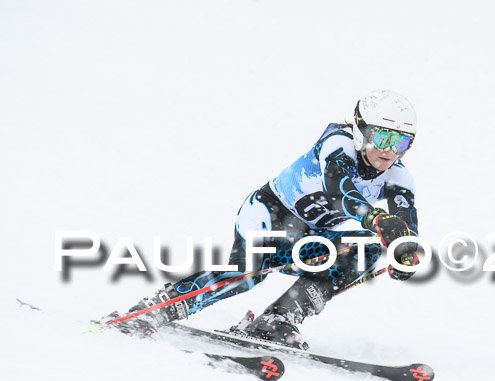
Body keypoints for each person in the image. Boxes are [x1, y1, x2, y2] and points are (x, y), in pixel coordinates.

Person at [118, 90, 420, 349]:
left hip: (310, 239)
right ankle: (159, 308)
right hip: (269, 216)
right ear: (361, 129)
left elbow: (406, 226)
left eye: (402, 143)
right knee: (249, 272)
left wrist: (404, 252)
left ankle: (280, 317)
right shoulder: (337, 144)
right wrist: (376, 218)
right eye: (383, 137)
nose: (390, 151)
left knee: (365, 249)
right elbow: (339, 191)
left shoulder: (399, 177)